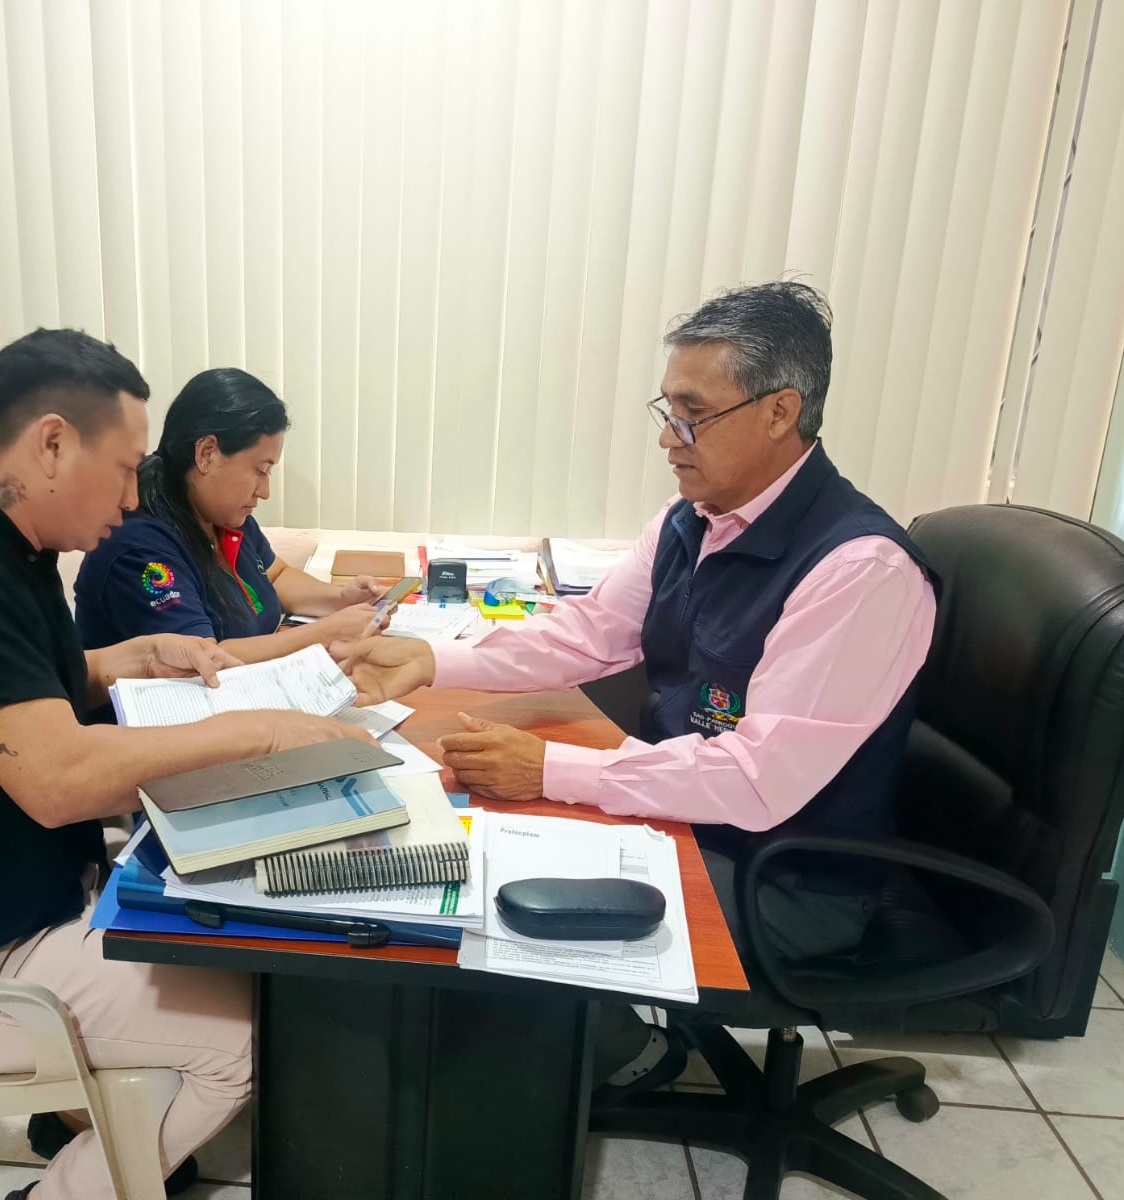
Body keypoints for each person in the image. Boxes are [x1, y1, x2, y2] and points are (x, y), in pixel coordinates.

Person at [0, 329, 373, 1200]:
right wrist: (258, 733)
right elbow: (58, 780)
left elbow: (23, 686)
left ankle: (101, 1133)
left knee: (245, 943)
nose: (134, 494)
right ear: (51, 443)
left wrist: (133, 657)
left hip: (9, 903)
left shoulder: (3, 544)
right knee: (250, 1039)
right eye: (123, 469)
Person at [337, 282, 937, 1083]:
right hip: (687, 817)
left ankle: (613, 1062)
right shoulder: (693, 518)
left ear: (779, 412)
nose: (668, 438)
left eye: (693, 413)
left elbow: (757, 781)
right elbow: (590, 635)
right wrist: (433, 660)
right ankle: (579, 1057)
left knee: (502, 896)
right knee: (475, 830)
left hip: (784, 875)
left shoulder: (859, 571)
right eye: (667, 409)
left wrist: (550, 769)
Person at [74, 368, 389, 669]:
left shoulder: (224, 515)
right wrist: (324, 633)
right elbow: (200, 662)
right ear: (207, 453)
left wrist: (340, 599)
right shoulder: (140, 545)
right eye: (260, 470)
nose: (264, 491)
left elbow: (275, 575)